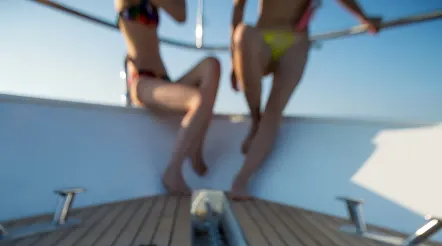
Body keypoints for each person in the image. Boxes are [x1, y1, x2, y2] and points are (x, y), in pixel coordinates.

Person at [229, 0, 382, 198]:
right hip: (260, 38)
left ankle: (241, 181)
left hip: (296, 41)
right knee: (243, 33)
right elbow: (238, 7)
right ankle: (255, 118)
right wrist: (234, 60)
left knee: (274, 111)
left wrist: (363, 17)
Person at [116, 1, 221, 195]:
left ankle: (196, 147)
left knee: (212, 64)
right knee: (196, 99)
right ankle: (173, 171)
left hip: (163, 80)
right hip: (142, 82)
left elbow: (181, 15)